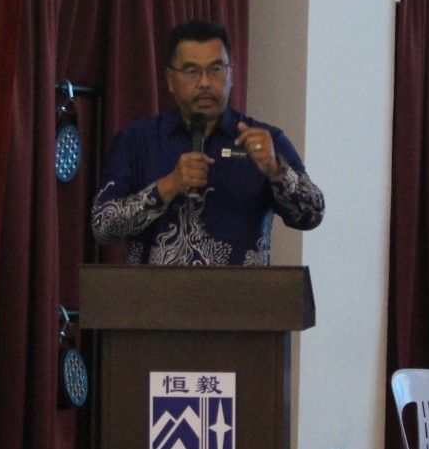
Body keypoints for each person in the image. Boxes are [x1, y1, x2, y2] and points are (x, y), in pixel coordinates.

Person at [91, 19, 324, 266]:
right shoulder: (138, 141)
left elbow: (313, 215)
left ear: (231, 74)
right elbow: (103, 227)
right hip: (151, 291)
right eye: (192, 71)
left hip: (241, 291)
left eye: (215, 69)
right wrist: (168, 186)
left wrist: (277, 172)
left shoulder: (266, 143)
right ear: (170, 79)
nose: (204, 83)